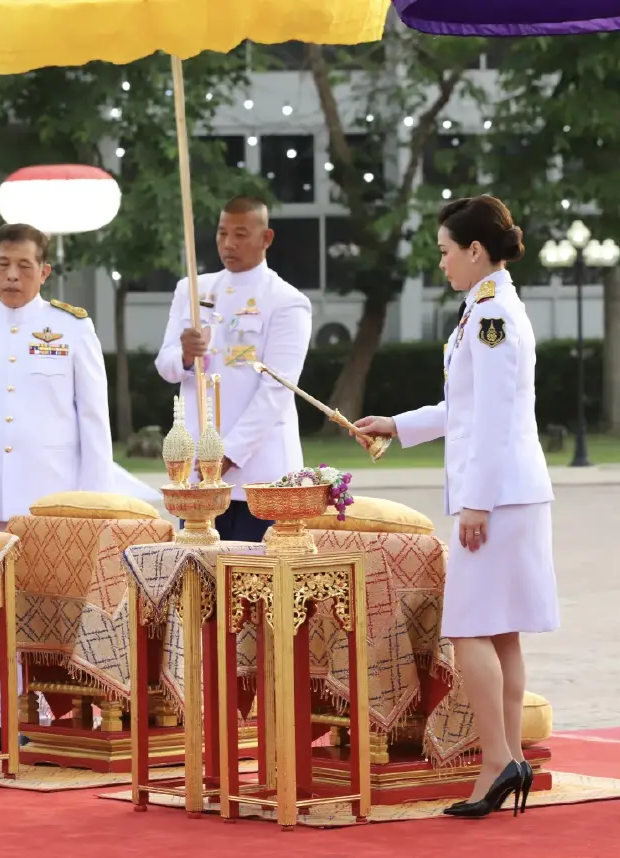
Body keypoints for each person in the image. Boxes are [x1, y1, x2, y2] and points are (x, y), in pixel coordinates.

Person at [355, 195, 557, 819]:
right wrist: (397, 424)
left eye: (445, 251)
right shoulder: (487, 309)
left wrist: (475, 503)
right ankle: (507, 757)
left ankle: (497, 761)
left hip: (497, 496)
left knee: (468, 628)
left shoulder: (492, 315)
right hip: (512, 492)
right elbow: (464, 408)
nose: (441, 262)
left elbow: (492, 416)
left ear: (475, 250)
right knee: (501, 630)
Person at [0, 222, 115, 752]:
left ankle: (67, 710)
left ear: (44, 271)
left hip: (50, 500)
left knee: (54, 609)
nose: (12, 275)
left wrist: (93, 502)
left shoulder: (71, 328)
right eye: (3, 265)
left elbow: (93, 419)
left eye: (24, 266)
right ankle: (5, 715)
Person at [154, 195, 312, 541]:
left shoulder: (286, 301)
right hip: (198, 473)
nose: (228, 244)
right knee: (199, 567)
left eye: (240, 234)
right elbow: (165, 366)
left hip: (260, 472)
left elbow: (277, 389)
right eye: (222, 233)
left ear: (266, 238)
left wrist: (228, 453)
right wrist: (184, 355)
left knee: (254, 570)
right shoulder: (192, 289)